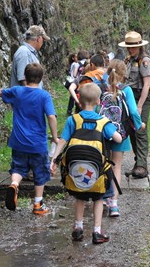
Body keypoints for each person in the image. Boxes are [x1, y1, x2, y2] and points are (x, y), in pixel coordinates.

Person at [0, 63, 59, 215]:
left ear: (25, 76)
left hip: (18, 141)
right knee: (40, 173)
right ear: (41, 78)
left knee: (18, 168)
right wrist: (55, 136)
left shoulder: (17, 91)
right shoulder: (44, 95)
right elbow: (51, 116)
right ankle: (38, 204)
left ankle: (15, 184)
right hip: (37, 143)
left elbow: (1, 92)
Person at [50, 83, 122, 244]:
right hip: (98, 171)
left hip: (76, 168)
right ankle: (97, 232)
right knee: (98, 198)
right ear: (98, 101)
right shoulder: (104, 122)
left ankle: (78, 228)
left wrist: (53, 160)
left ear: (79, 101)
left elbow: (62, 141)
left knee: (79, 197)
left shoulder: (73, 120)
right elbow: (118, 138)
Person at [101, 59, 145, 216]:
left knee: (103, 165)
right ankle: (114, 204)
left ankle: (102, 198)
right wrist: (139, 125)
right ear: (124, 74)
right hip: (121, 133)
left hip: (103, 133)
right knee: (116, 166)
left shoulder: (102, 88)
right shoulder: (126, 90)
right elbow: (133, 112)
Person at [118, 31, 150, 179]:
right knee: (131, 130)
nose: (130, 49)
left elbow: (146, 85)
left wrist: (139, 106)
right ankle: (137, 163)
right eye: (129, 47)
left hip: (141, 97)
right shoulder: (129, 60)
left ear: (139, 46)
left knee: (140, 129)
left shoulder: (145, 61)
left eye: (133, 47)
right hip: (129, 96)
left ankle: (142, 166)